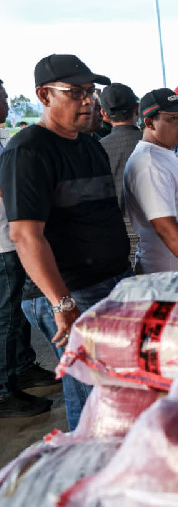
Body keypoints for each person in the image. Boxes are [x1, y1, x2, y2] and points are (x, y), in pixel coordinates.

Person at [0, 55, 133, 430]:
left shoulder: (90, 144)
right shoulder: (28, 151)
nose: (88, 101)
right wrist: (61, 302)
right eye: (75, 92)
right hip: (69, 292)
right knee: (93, 399)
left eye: (91, 92)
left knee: (115, 392)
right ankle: (86, 475)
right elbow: (26, 235)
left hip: (109, 282)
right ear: (44, 95)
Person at [0, 78, 58, 418]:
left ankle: (21, 368)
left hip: (10, 239)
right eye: (4, 95)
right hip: (5, 242)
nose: (7, 101)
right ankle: (5, 391)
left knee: (16, 315)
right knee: (7, 318)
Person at [124, 88, 178, 273]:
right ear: (149, 123)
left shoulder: (165, 154)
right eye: (173, 118)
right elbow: (165, 228)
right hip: (168, 276)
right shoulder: (149, 163)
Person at [99, 83, 142, 210]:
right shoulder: (153, 143)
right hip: (152, 225)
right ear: (137, 109)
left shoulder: (97, 148)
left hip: (112, 225)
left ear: (104, 114)